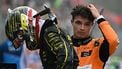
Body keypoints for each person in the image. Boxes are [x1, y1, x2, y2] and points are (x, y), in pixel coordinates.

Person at [5, 6, 79, 69]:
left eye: (24, 36)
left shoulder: (49, 33)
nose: (27, 42)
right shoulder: (44, 34)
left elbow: (66, 59)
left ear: (29, 24)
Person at [70, 4, 119, 69]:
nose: (82, 28)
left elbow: (113, 40)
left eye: (87, 24)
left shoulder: (98, 46)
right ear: (72, 22)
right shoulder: (63, 45)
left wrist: (99, 18)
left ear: (92, 25)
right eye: (78, 23)